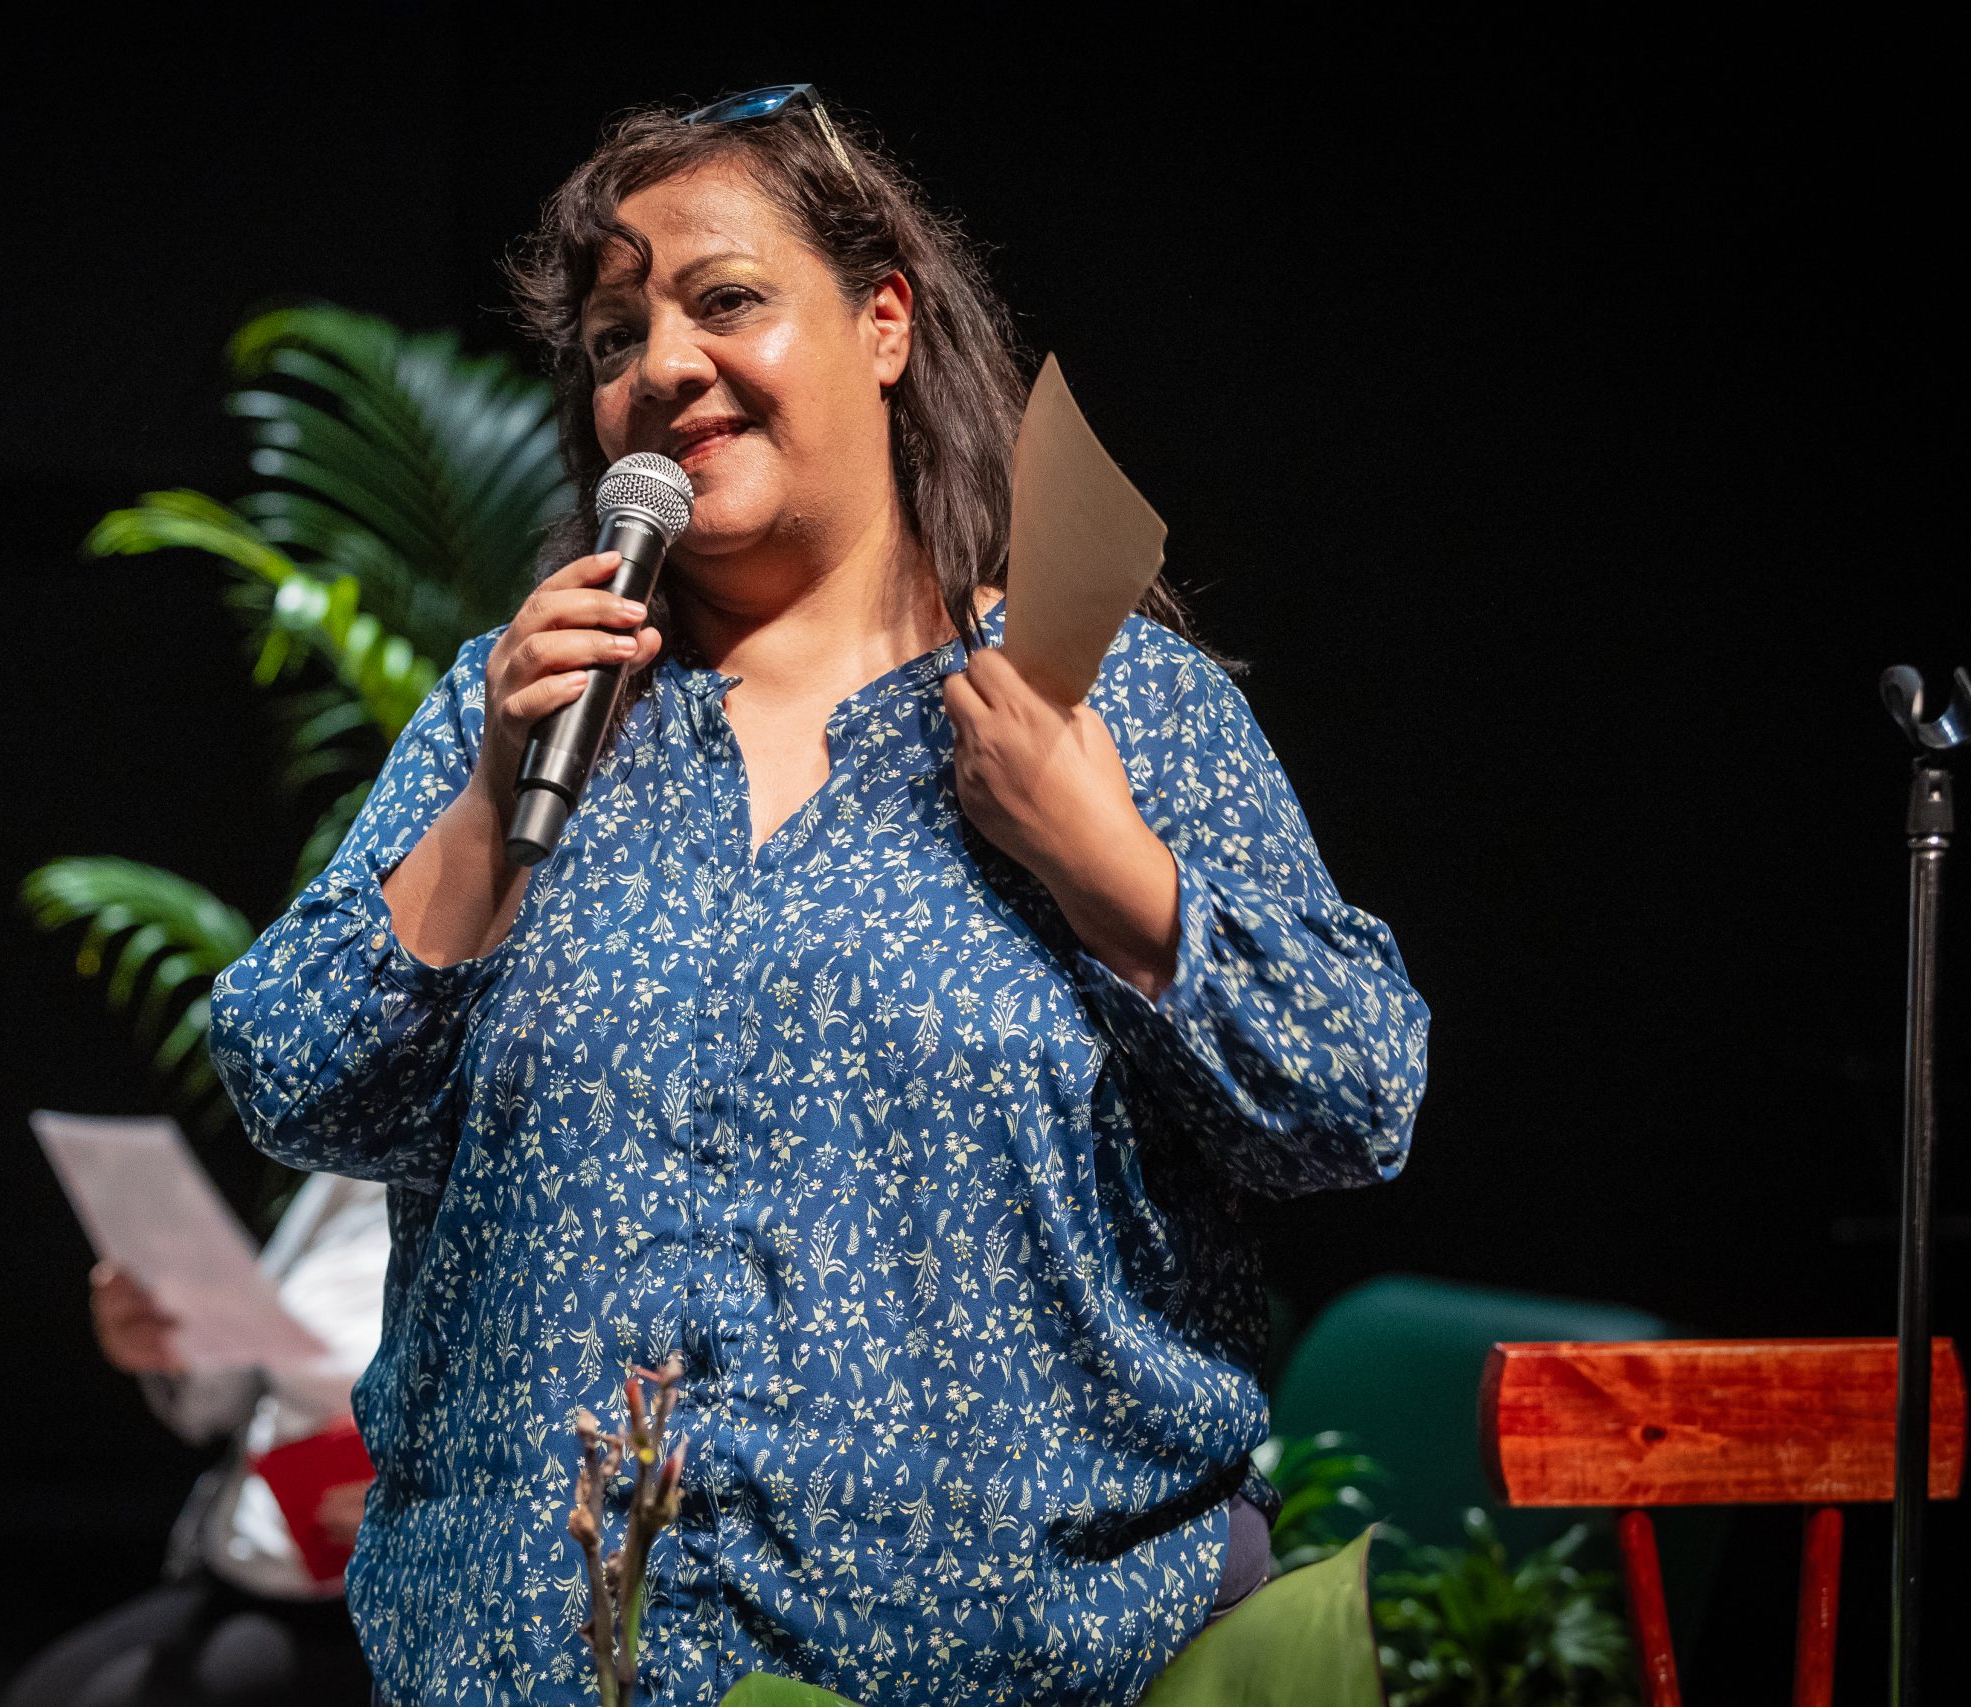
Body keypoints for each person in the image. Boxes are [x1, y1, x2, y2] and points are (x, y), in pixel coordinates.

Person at [209, 88, 1430, 1707]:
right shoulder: (511, 710)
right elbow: (295, 1080)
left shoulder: (1107, 701)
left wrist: (1105, 863)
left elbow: (1353, 1096)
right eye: (613, 337)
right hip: (546, 1666)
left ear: (884, 322)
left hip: (1021, 1671)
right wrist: (494, 804)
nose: (661, 365)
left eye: (724, 299)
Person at [6, 1171, 387, 1707]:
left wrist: (437, 1507)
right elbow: (229, 1402)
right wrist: (173, 1348)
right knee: (43, 1691)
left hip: (380, 1603)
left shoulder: (506, 1196)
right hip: (245, 1553)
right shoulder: (353, 1168)